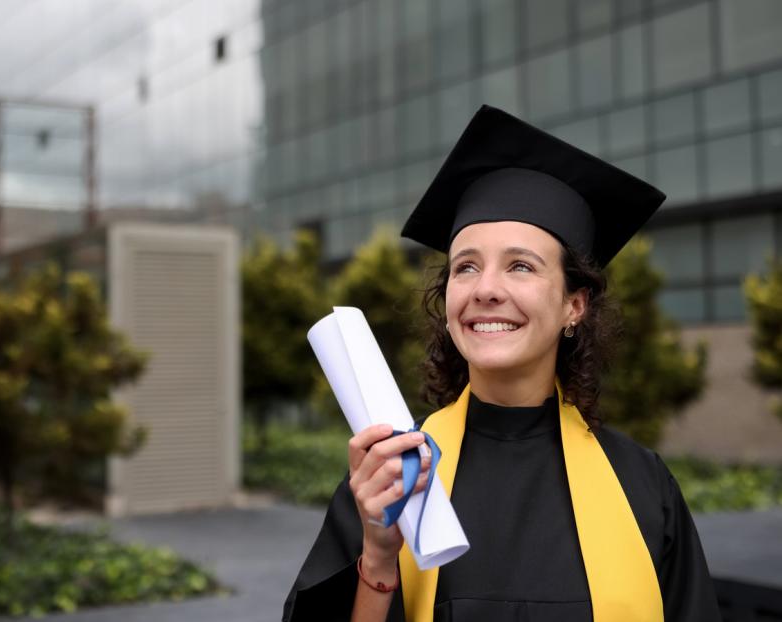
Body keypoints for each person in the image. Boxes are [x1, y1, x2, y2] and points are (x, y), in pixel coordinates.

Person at [282, 105, 721, 622]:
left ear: (573, 305)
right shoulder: (395, 475)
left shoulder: (641, 485)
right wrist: (378, 555)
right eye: (466, 266)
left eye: (520, 265)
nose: (486, 289)